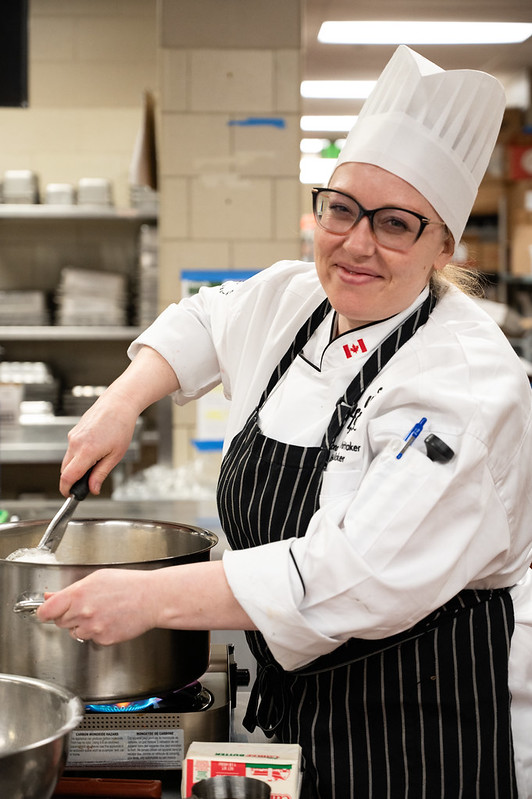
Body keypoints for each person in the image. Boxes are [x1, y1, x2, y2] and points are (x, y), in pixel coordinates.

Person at [38, 46, 532, 798]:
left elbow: (351, 576)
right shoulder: (296, 297)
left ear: (443, 245)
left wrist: (148, 597)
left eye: (396, 224)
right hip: (299, 706)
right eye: (342, 208)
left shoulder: (465, 382)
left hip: (422, 725)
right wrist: (120, 401)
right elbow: (206, 319)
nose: (357, 243)